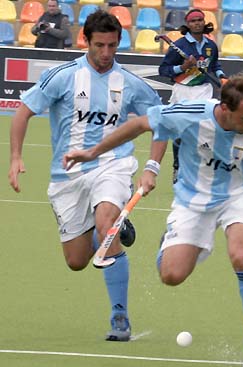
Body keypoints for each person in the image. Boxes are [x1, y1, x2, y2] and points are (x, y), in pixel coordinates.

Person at [62, 73, 243, 367]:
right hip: (192, 199)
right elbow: (140, 125)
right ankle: (170, 243)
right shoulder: (190, 114)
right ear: (225, 109)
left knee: (241, 256)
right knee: (171, 275)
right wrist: (93, 153)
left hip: (239, 196)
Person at [8, 10, 163, 342]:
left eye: (112, 46)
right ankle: (110, 229)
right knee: (76, 260)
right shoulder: (62, 76)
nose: (106, 53)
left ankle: (120, 316)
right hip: (68, 176)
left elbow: (160, 124)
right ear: (85, 41)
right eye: (99, 45)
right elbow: (23, 113)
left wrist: (152, 166)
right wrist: (16, 157)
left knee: (106, 223)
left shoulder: (131, 84)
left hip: (113, 166)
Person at [158, 8, 228, 184]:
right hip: (183, 89)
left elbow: (214, 65)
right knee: (181, 131)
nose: (197, 23)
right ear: (188, 25)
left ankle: (202, 168)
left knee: (205, 130)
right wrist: (183, 67)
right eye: (193, 21)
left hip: (204, 89)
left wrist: (221, 77)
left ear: (204, 22)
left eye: (199, 20)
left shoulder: (211, 45)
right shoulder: (179, 45)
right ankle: (177, 166)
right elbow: (163, 70)